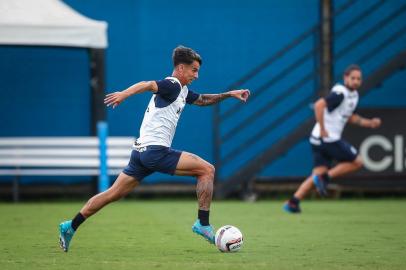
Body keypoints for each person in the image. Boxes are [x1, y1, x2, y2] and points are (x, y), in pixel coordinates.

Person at [58, 46, 250, 252]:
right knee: (207, 170)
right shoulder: (173, 84)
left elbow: (203, 100)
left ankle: (70, 226)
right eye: (194, 70)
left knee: (112, 193)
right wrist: (124, 94)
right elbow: (148, 84)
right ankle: (202, 224)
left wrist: (229, 94)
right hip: (155, 152)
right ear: (181, 68)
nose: (197, 75)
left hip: (140, 153)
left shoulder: (182, 91)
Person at [283, 64, 381, 213]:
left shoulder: (353, 96)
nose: (355, 81)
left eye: (358, 79)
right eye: (352, 78)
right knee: (358, 162)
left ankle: (293, 202)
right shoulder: (340, 93)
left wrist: (369, 123)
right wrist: (323, 128)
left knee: (317, 174)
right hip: (327, 139)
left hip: (318, 139)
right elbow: (318, 105)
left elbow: (350, 117)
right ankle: (325, 177)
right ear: (345, 78)